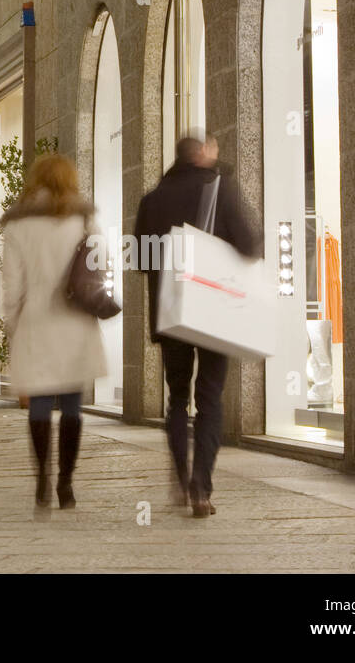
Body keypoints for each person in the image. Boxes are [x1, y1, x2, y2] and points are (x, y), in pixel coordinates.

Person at [135, 134, 261, 518]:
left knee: (176, 398)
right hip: (212, 312)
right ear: (202, 155)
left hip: (172, 313)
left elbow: (142, 258)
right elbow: (250, 245)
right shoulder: (220, 191)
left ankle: (179, 470)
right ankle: (201, 487)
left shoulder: (152, 200)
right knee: (209, 399)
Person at [0, 155, 108, 511]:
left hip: (36, 321)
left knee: (41, 403)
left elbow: (13, 285)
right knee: (73, 405)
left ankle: (42, 480)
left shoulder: (17, 226)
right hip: (75, 320)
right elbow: (100, 265)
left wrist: (13, 325)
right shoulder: (84, 220)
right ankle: (67, 484)